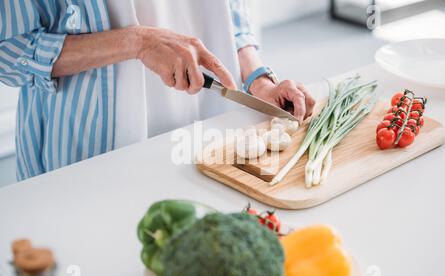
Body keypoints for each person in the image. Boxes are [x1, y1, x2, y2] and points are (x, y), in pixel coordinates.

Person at [0, 0, 315, 181]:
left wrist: (259, 79)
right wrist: (137, 42)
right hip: (93, 157)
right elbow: (9, 51)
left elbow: (227, 10)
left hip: (213, 138)